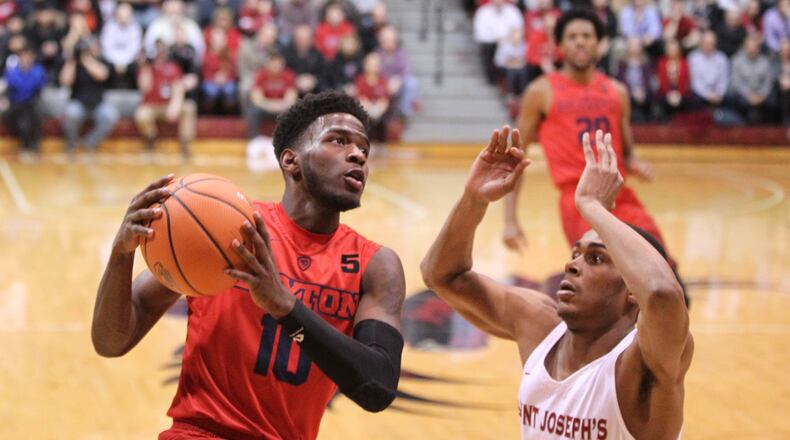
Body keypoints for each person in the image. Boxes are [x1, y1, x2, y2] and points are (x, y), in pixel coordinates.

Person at [91, 91, 405, 439]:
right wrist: (121, 256)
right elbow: (111, 341)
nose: (358, 155)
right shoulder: (227, 229)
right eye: (339, 140)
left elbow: (379, 387)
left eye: (364, 148)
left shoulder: (374, 265)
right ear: (291, 161)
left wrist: (286, 308)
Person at [421, 126, 692, 440]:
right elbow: (441, 275)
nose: (572, 265)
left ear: (633, 290)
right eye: (576, 253)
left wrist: (592, 208)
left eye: (595, 259)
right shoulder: (540, 327)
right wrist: (473, 199)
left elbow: (662, 294)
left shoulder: (644, 364)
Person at [503, 9, 659, 254]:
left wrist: (636, 163)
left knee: (663, 268)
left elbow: (628, 154)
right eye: (572, 36)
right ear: (560, 45)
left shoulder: (617, 91)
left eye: (587, 36)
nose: (580, 41)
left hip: (620, 195)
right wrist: (510, 220)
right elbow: (515, 158)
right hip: (579, 201)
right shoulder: (540, 92)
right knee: (609, 276)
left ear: (599, 43)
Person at [59, 36, 120, 154]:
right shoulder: (74, 63)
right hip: (78, 103)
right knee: (71, 114)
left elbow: (102, 75)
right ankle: (72, 143)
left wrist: (86, 59)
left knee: (110, 115)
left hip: (98, 104)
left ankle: (89, 142)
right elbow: (65, 81)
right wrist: (72, 60)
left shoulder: (102, 61)